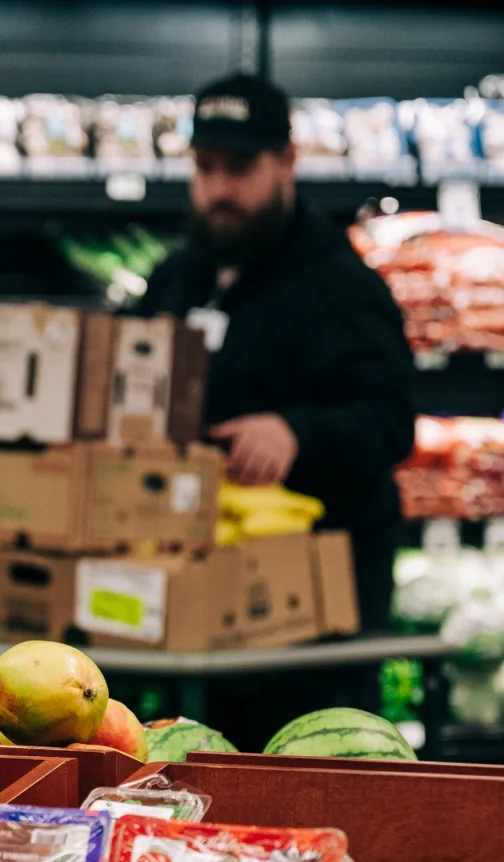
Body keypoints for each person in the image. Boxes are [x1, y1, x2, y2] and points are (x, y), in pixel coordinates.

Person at [138, 73, 415, 666]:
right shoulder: (175, 279)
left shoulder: (342, 287)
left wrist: (298, 431)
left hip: (313, 621)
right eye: (205, 168)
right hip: (190, 595)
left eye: (238, 169)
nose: (218, 190)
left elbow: (391, 421)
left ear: (286, 161)